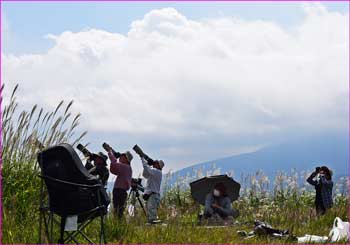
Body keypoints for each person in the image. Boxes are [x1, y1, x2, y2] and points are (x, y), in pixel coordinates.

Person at [105, 144, 133, 219]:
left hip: (119, 191)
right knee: (120, 211)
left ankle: (117, 224)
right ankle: (119, 225)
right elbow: (114, 170)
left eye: (123, 156)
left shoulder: (124, 167)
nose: (121, 157)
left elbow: (114, 163)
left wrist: (109, 152)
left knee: (117, 210)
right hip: (122, 192)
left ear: (126, 159)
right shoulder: (128, 168)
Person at [141, 157, 164, 224]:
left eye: (156, 163)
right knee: (150, 213)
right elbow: (145, 174)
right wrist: (147, 164)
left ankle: (154, 226)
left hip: (152, 195)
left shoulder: (157, 172)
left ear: (159, 165)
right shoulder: (155, 172)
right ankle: (151, 226)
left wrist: (143, 159)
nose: (154, 163)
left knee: (152, 215)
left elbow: (147, 169)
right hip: (151, 195)